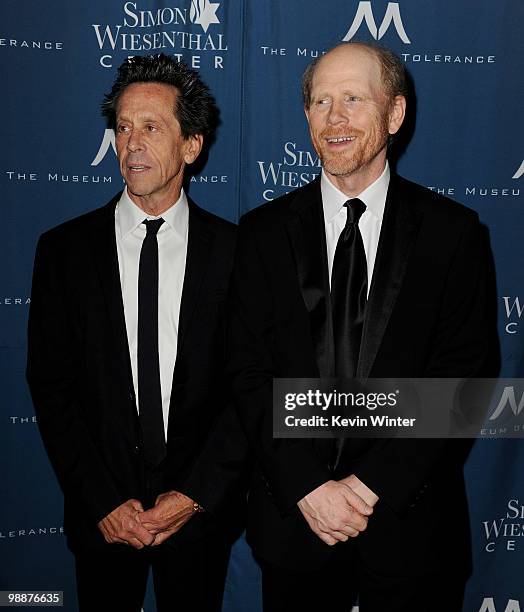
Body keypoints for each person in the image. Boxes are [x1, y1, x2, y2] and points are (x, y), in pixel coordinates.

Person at [228, 42, 496, 611]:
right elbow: (245, 372)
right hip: (297, 527)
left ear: (395, 114)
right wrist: (308, 486)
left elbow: (464, 379)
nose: (334, 118)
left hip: (411, 529)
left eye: (353, 98)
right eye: (320, 101)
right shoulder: (260, 235)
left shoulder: (454, 234)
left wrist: (367, 486)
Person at [26, 54, 241, 612]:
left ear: (191, 146)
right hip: (101, 520)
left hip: (197, 523)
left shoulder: (238, 255)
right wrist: (101, 500)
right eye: (123, 127)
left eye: (151, 126)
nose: (131, 142)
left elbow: (250, 389)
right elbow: (52, 386)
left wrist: (194, 496)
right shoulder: (64, 251)